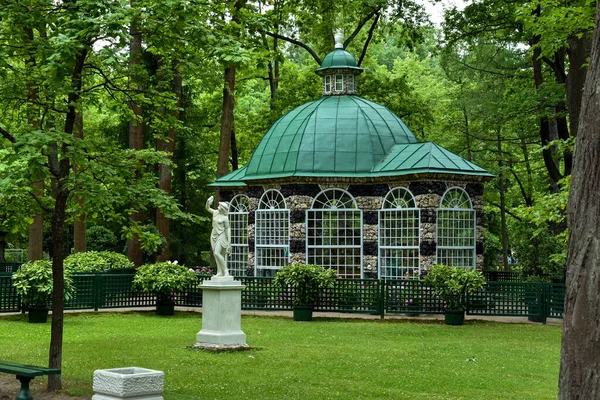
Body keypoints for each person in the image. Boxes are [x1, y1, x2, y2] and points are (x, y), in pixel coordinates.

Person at [205, 196, 231, 277]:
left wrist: (229, 241)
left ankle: (226, 270)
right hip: (214, 235)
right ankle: (220, 272)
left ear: (223, 209)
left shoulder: (225, 218)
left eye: (219, 206)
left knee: (217, 253)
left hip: (221, 235)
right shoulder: (215, 213)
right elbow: (208, 208)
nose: (218, 207)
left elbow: (228, 229)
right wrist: (208, 202)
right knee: (217, 255)